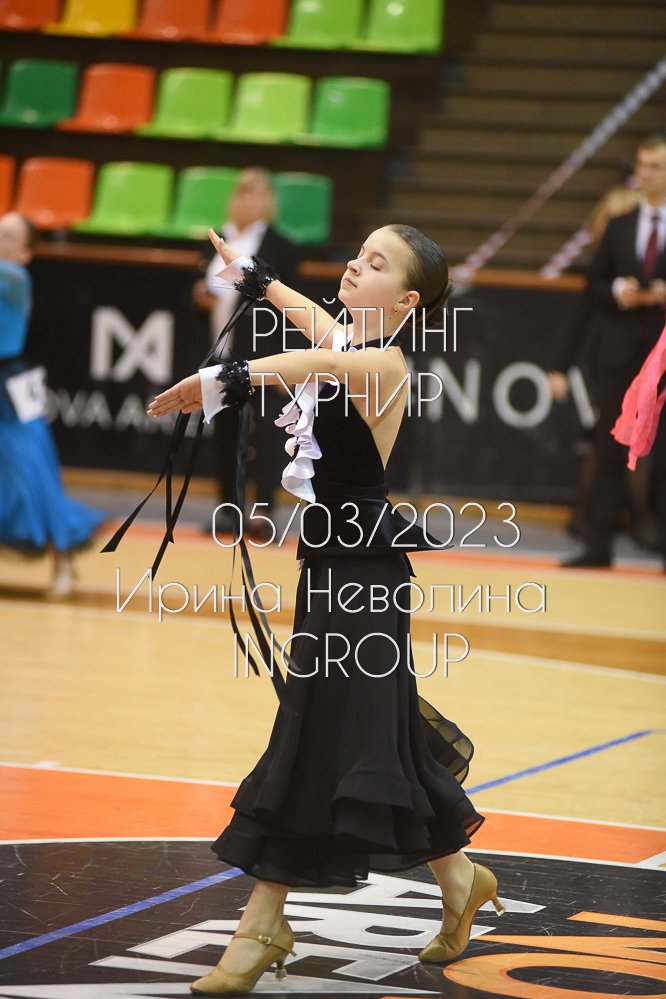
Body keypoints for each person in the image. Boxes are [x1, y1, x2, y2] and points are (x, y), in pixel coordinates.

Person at [149, 223, 502, 995]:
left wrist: (225, 378)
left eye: (376, 263)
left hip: (364, 577)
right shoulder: (353, 338)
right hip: (333, 567)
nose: (354, 265)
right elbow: (312, 323)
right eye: (358, 253)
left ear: (407, 301)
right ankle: (461, 877)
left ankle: (262, 923)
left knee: (311, 730)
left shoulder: (384, 363)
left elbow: (314, 360)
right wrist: (254, 277)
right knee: (380, 734)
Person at [562, 134, 666, 568]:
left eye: (655, 166)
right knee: (609, 445)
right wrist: (620, 290)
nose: (646, 174)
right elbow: (593, 285)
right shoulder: (620, 224)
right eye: (642, 165)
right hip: (619, 351)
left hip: (663, 351)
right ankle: (598, 543)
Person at [0, 212, 105, 598]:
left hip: (10, 389)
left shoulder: (16, 277)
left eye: (8, 236)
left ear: (26, 253)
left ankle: (62, 559)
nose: (0, 240)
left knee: (32, 473)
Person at [192, 168, 300, 537]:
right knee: (224, 432)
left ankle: (264, 513)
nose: (248, 200)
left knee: (267, 435)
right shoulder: (215, 239)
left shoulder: (280, 245)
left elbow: (294, 309)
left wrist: (289, 364)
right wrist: (199, 297)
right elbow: (199, 288)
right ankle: (228, 511)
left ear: (269, 201)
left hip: (263, 358)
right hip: (220, 354)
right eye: (242, 192)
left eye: (257, 193)